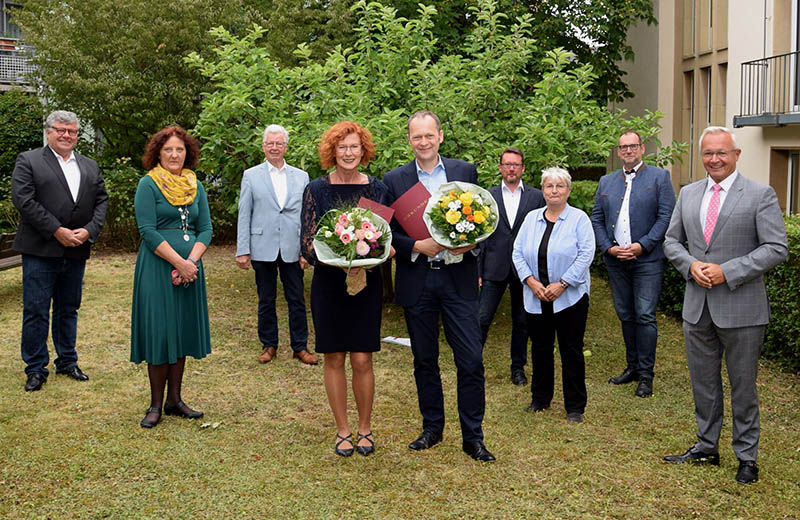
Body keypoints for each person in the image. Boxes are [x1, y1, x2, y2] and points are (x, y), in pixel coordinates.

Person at [662, 126, 788, 484]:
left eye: (721, 152)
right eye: (707, 153)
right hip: (697, 307)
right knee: (703, 383)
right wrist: (690, 265)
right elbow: (672, 241)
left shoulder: (760, 194)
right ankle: (706, 446)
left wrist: (726, 271)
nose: (714, 159)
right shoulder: (688, 193)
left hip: (742, 309)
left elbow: (776, 248)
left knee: (743, 386)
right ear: (701, 156)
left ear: (736, 155)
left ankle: (746, 456)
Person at [384, 110, 495, 462]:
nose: (424, 142)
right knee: (424, 359)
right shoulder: (394, 179)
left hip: (458, 278)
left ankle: (472, 436)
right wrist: (416, 246)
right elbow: (389, 233)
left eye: (429, 135)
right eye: (417, 137)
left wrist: (472, 243)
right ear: (409, 140)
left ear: (441, 136)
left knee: (471, 360)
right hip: (419, 278)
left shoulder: (465, 172)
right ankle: (432, 428)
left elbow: (484, 221)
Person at [300, 121, 390, 457]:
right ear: (332, 151)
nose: (349, 153)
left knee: (363, 358)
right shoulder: (316, 189)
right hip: (328, 284)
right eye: (342, 147)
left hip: (366, 285)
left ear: (363, 150)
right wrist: (337, 256)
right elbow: (307, 243)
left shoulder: (378, 189)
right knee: (334, 356)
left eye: (354, 147)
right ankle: (342, 430)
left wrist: (369, 253)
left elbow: (383, 239)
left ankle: (365, 428)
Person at [11, 110, 108, 392]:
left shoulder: (89, 166)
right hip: (41, 249)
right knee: (36, 310)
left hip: (76, 249)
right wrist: (56, 230)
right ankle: (35, 368)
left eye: (72, 131)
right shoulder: (29, 161)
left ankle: (67, 360)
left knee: (68, 309)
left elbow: (101, 199)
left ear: (78, 134)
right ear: (48, 131)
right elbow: (24, 200)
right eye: (60, 130)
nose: (67, 135)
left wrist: (90, 229)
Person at [130, 126, 213, 429]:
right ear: (158, 153)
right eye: (168, 150)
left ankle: (175, 400)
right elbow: (147, 231)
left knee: (181, 331)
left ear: (187, 152)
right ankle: (155, 405)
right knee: (160, 332)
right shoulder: (148, 185)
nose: (175, 155)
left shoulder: (196, 185)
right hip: (157, 269)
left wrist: (192, 261)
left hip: (190, 268)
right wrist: (179, 261)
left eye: (179, 149)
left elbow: (206, 228)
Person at [591, 131, 675, 398]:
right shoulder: (606, 181)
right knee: (625, 314)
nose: (628, 150)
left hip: (647, 259)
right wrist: (608, 247)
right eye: (623, 147)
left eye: (633, 146)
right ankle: (633, 367)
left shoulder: (659, 178)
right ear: (618, 152)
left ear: (641, 148)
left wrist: (643, 245)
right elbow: (596, 218)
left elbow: (666, 217)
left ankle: (646, 375)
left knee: (645, 315)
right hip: (616, 260)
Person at [512, 167, 595, 423]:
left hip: (569, 297)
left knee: (571, 349)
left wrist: (563, 283)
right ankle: (540, 399)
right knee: (540, 348)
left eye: (560, 186)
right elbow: (517, 251)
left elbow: (586, 254)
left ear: (568, 190)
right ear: (543, 190)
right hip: (536, 295)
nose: (554, 190)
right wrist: (531, 282)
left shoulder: (579, 219)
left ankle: (575, 406)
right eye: (549, 186)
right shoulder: (531, 218)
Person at [236, 124, 315, 366]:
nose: (274, 147)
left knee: (297, 299)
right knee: (266, 299)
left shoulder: (301, 177)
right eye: (270, 143)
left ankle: (300, 346)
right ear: (263, 146)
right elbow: (244, 213)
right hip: (263, 247)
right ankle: (269, 345)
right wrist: (243, 249)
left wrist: (307, 251)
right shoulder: (251, 175)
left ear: (286, 147)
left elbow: (307, 215)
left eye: (278, 143)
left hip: (292, 247)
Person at [478, 147, 544, 386]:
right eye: (507, 164)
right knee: (482, 318)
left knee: (522, 321)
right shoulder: (487, 196)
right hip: (493, 267)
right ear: (500, 168)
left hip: (525, 270)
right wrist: (478, 271)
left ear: (523, 168)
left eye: (516, 164)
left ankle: (518, 368)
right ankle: (473, 365)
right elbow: (480, 236)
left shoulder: (536, 197)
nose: (511, 168)